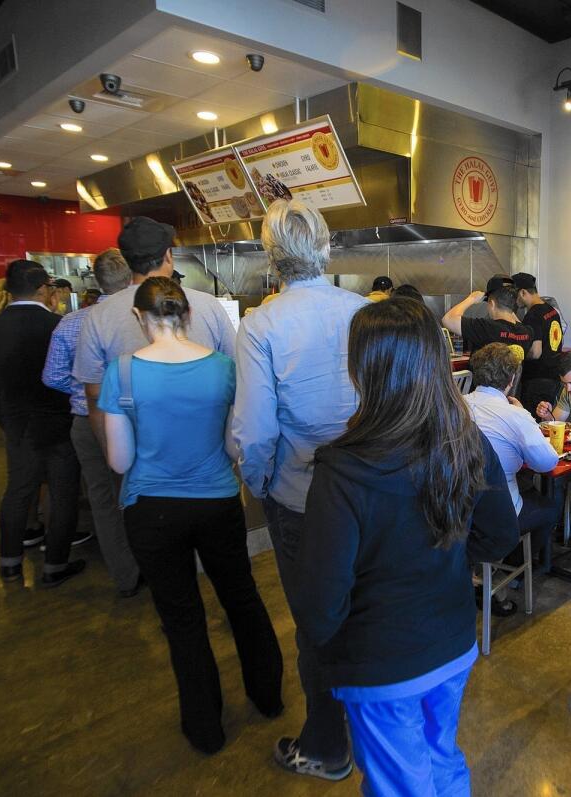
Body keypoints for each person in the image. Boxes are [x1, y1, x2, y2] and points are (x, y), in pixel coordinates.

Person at [295, 297, 518, 795]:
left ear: (361, 369)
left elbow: (319, 609)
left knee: (401, 783)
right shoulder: (465, 440)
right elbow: (500, 534)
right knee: (441, 759)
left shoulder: (342, 469)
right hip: (454, 643)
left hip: (381, 664)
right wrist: (447, 558)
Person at [98, 277, 282, 754]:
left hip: (152, 510)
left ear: (139, 317)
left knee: (182, 620)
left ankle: (205, 729)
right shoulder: (224, 368)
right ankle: (269, 698)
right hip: (217, 501)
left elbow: (119, 461)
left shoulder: (122, 372)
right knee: (242, 598)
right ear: (189, 316)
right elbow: (230, 445)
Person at [229, 198, 365, 782]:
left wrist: (258, 484)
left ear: (271, 256)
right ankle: (369, 724)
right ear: (327, 248)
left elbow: (254, 433)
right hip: (370, 492)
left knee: (316, 621)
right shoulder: (366, 312)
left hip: (301, 500)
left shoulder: (261, 324)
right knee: (364, 609)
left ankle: (327, 746)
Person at [0, 260, 85, 585]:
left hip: (16, 424)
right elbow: (71, 376)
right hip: (59, 423)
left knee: (18, 490)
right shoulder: (59, 326)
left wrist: (2, 413)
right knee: (62, 495)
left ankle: (9, 563)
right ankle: (54, 566)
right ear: (43, 289)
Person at [73, 216, 234, 454]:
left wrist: (112, 454)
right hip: (206, 449)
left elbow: (94, 396)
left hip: (137, 451)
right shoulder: (208, 305)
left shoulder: (98, 315)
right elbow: (237, 380)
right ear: (168, 256)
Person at [42, 248, 141, 597]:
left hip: (84, 421)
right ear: (130, 277)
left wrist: (77, 389)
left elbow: (52, 376)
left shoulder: (71, 322)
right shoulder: (136, 317)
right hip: (132, 419)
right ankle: (151, 564)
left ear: (97, 281)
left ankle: (125, 575)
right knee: (138, 492)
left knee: (102, 498)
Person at [463, 342, 562, 613]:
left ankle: (473, 570)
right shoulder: (515, 415)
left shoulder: (456, 403)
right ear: (511, 379)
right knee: (549, 507)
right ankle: (506, 576)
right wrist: (525, 417)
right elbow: (547, 462)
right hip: (495, 515)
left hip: (455, 506)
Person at [511, 272, 566, 411]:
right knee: (545, 419)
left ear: (523, 292)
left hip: (537, 379)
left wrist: (517, 354)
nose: (513, 300)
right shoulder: (551, 310)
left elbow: (535, 352)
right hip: (554, 376)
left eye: (514, 295)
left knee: (533, 421)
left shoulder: (533, 315)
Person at [442, 279, 533, 358]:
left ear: (492, 304)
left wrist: (471, 298)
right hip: (513, 379)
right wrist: (509, 304)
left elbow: (448, 319)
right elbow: (515, 322)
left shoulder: (487, 328)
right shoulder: (527, 332)